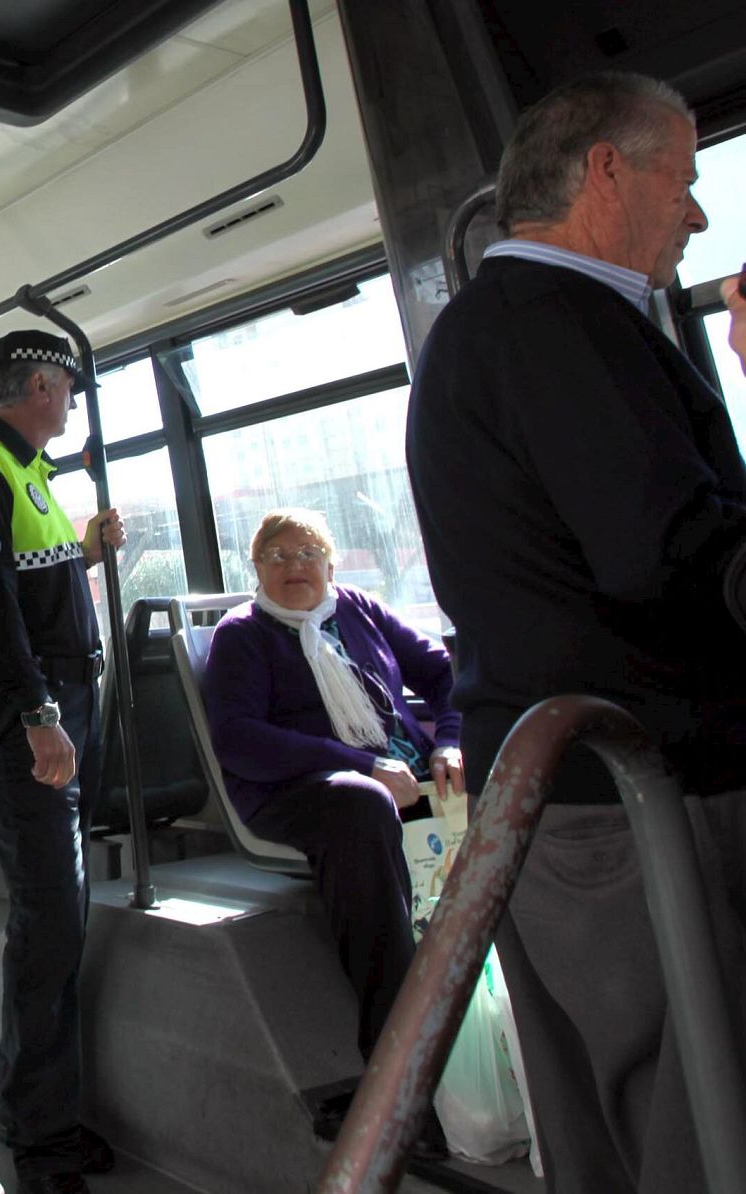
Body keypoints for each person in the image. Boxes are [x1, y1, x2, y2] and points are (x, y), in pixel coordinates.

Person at [407, 71, 746, 1193]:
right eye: (683, 180)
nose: (694, 213)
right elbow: (672, 555)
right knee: (700, 1121)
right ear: (606, 170)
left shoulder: (492, 332)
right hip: (643, 792)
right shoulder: (567, 326)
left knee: (609, 1128)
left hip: (561, 797)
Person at [0, 329, 124, 1194]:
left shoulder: (27, 471)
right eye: (68, 389)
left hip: (61, 704)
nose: (72, 404)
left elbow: (29, 584)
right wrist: (39, 715)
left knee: (66, 912)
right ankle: (37, 1134)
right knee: (49, 919)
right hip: (33, 716)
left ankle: (46, 1113)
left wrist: (87, 552)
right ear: (41, 386)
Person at [202, 511, 461, 1104]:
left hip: (407, 775)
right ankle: (395, 1072)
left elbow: (446, 674)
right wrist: (361, 763)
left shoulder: (359, 609)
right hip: (296, 790)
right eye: (278, 555)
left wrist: (449, 741)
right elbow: (238, 738)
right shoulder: (242, 634)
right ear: (257, 568)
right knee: (362, 806)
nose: (296, 566)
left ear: (331, 562)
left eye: (309, 552)